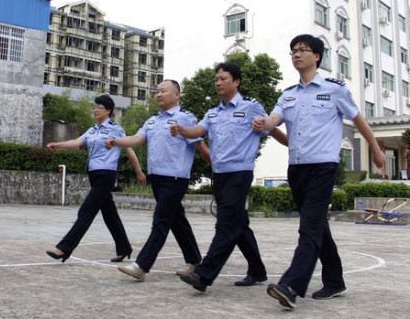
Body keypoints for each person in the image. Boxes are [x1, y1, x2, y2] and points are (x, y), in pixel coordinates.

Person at [252, 34, 385, 309]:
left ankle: (291, 285)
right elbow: (274, 121)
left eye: (303, 50)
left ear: (317, 57)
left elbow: (359, 120)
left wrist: (375, 149)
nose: (296, 55)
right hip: (297, 169)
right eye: (293, 51)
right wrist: (263, 122)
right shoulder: (287, 95)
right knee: (318, 227)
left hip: (324, 168)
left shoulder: (334, 89)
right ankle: (335, 281)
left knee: (309, 227)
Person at [170, 62, 288, 292]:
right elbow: (198, 132)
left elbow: (271, 129)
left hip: (240, 173)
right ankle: (257, 270)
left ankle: (204, 275)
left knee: (225, 225)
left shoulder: (251, 106)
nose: (218, 82)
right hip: (220, 174)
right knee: (239, 224)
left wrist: (292, 146)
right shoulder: (212, 112)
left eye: (223, 78)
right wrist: (182, 130)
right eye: (216, 79)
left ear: (236, 82)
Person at [105, 79, 211, 281]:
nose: (159, 95)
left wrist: (216, 167)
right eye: (157, 91)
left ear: (177, 95)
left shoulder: (185, 118)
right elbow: (137, 139)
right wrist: (116, 141)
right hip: (157, 177)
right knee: (176, 220)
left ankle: (142, 265)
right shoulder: (152, 120)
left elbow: (201, 146)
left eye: (164, 91)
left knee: (161, 220)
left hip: (175, 177)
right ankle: (195, 261)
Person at [45, 95, 146, 262]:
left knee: (86, 210)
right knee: (109, 213)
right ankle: (124, 248)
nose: (95, 109)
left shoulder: (115, 129)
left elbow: (128, 148)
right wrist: (56, 145)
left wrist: (138, 171)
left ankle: (64, 248)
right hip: (93, 173)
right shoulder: (92, 129)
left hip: (106, 174)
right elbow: (77, 142)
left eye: (99, 107)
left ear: (108, 110)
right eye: (94, 106)